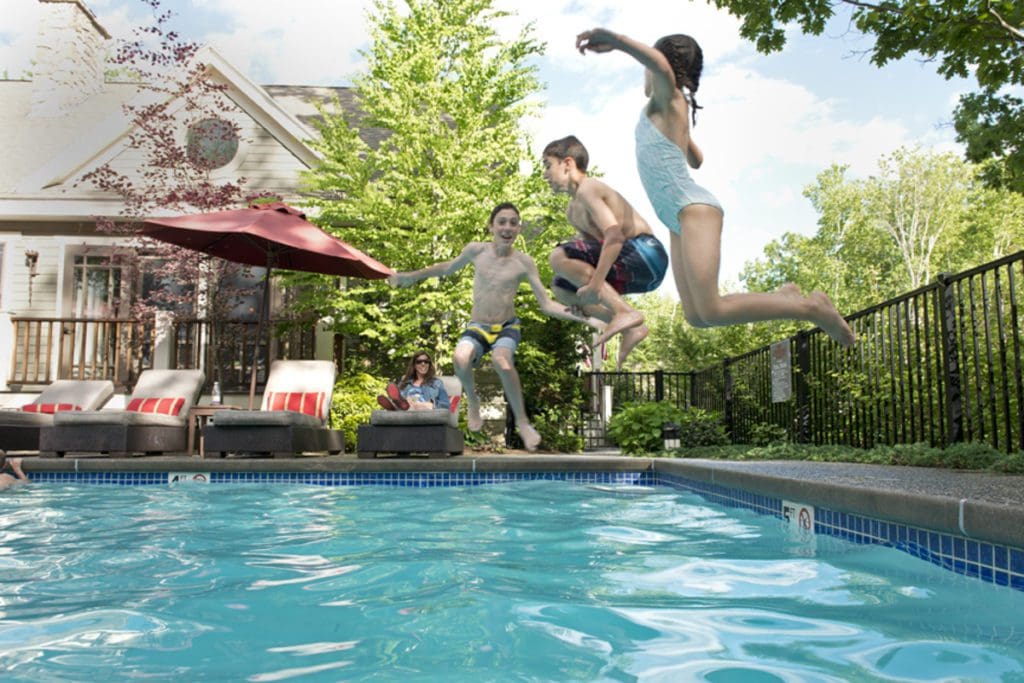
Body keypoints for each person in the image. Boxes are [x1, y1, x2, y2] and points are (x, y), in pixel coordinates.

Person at [573, 29, 857, 347]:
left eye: (649, 68)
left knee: (713, 307)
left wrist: (614, 41)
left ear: (661, 67)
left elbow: (660, 69)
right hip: (676, 218)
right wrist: (682, 139)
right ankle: (786, 297)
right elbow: (697, 159)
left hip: (693, 209)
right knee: (697, 316)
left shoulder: (669, 98)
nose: (647, 75)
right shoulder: (670, 111)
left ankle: (810, 308)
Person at [388, 202, 603, 451]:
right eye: (502, 222)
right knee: (460, 357)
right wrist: (410, 276)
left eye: (513, 222)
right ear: (491, 226)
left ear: (519, 229)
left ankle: (523, 423)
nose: (507, 227)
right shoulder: (476, 252)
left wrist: (582, 317)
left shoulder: (524, 263)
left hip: (506, 327)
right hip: (478, 326)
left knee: (503, 361)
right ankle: (474, 401)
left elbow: (546, 304)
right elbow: (446, 268)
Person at [542, 135, 669, 368]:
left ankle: (624, 312)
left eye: (548, 165)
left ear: (567, 163)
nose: (545, 174)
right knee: (560, 287)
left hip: (647, 252)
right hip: (642, 275)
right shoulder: (572, 211)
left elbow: (614, 236)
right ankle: (632, 327)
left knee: (558, 256)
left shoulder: (588, 189)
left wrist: (595, 285)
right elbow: (592, 257)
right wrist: (585, 289)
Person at [378, 350, 451, 412]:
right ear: (414, 365)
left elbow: (445, 405)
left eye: (426, 361)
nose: (423, 364)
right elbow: (397, 397)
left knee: (406, 405)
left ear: (429, 364)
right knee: (402, 402)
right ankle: (395, 407)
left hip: (423, 410)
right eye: (419, 362)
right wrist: (408, 400)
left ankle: (395, 408)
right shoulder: (406, 382)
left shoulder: (436, 383)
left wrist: (431, 405)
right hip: (408, 407)